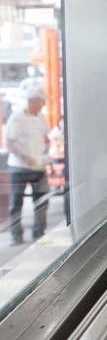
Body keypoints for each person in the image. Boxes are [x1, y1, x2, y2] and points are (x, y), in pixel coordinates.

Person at [5, 78, 51, 245]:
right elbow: (9, 143)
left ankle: (39, 232)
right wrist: (25, 157)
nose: (43, 104)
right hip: (19, 168)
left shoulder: (41, 118)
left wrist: (45, 153)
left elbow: (46, 137)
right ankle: (16, 235)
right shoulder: (16, 118)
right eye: (41, 101)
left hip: (38, 166)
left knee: (42, 200)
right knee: (16, 202)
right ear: (33, 100)